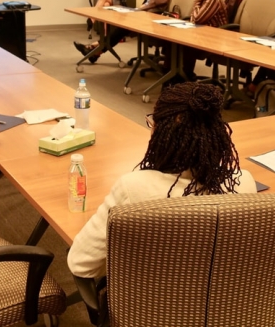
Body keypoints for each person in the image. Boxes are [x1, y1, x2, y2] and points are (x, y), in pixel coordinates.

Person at [67, 82, 257, 278]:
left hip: (148, 305)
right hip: (230, 304)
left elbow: (80, 264)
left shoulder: (133, 189)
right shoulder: (244, 183)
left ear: (161, 133)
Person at [74, 0, 174, 63]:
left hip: (150, 19)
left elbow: (154, 5)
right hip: (144, 14)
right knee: (120, 30)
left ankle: (94, 48)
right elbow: (152, 2)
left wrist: (141, 8)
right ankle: (95, 51)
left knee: (120, 30)